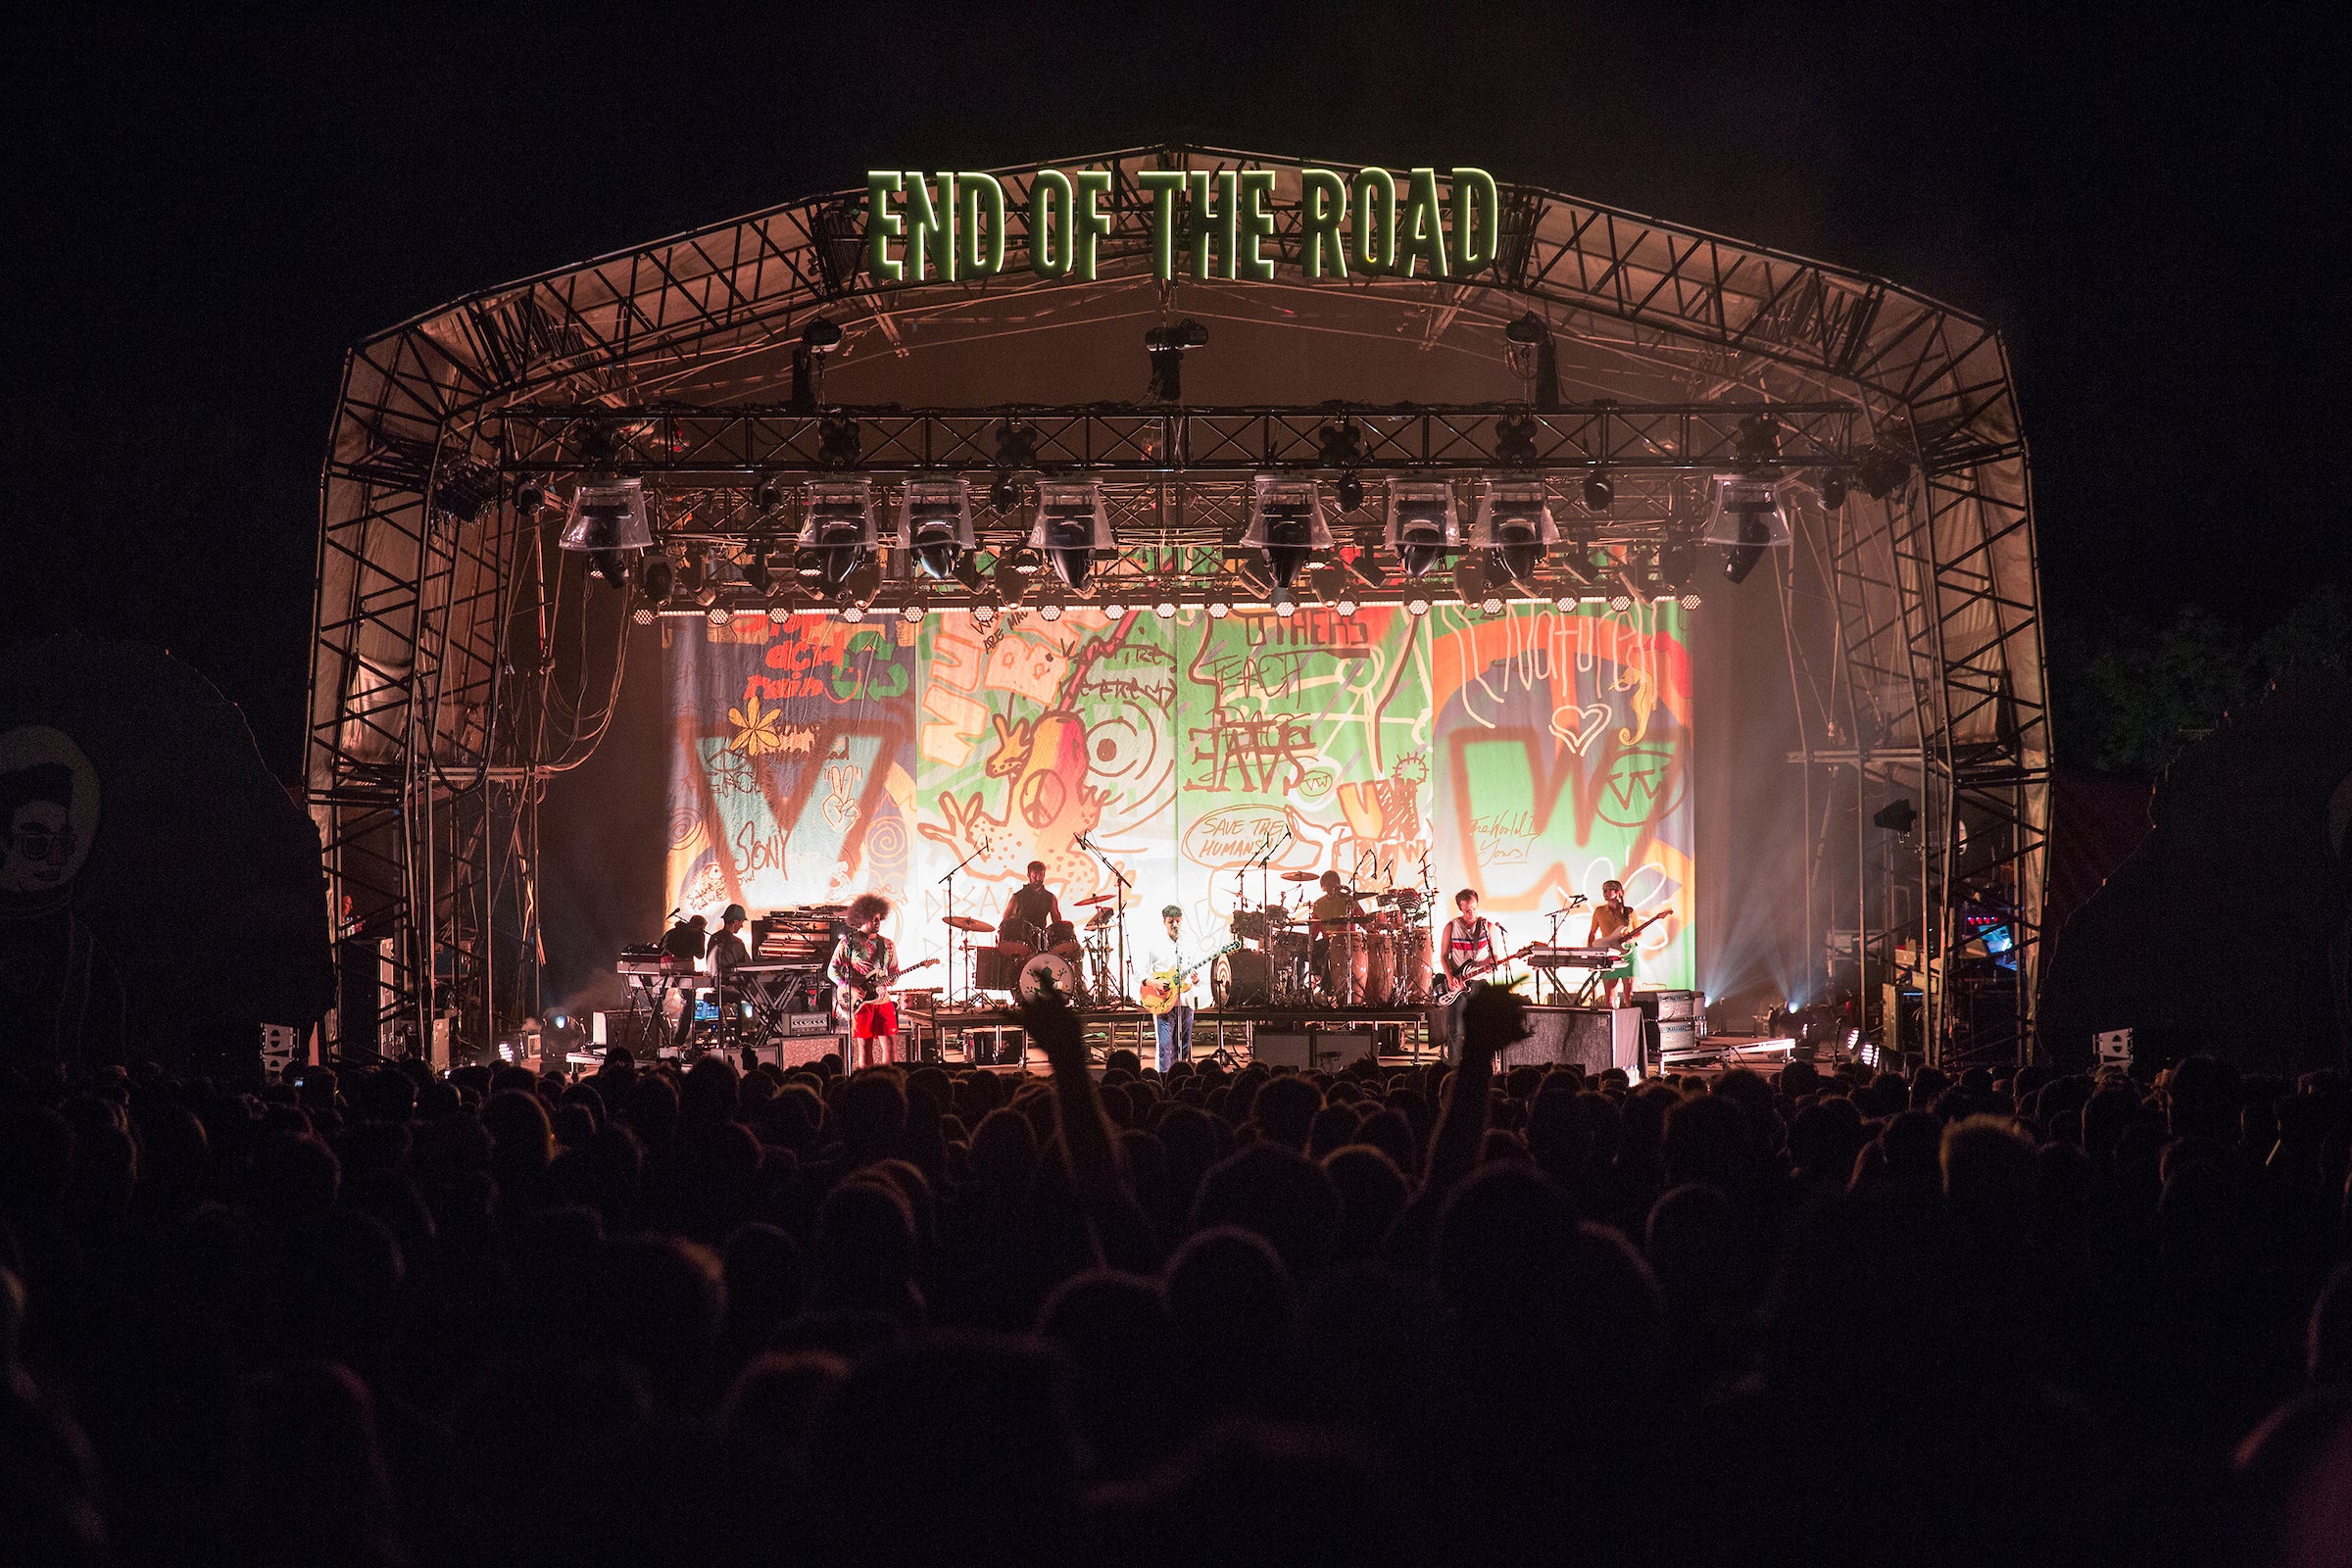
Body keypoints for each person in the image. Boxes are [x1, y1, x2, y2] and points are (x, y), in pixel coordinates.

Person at [830, 893, 902, 1069]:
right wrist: (850, 987)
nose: (877, 922)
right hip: (861, 1003)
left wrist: (892, 980)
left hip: (883, 1001)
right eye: (873, 918)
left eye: (879, 918)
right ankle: (866, 1085)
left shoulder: (888, 945)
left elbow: (894, 972)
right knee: (865, 1048)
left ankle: (890, 1082)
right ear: (861, 919)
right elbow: (832, 970)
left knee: (891, 1048)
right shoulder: (848, 943)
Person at [679, 906, 751, 1054]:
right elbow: (748, 967)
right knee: (760, 997)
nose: (742, 925)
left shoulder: (713, 938)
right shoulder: (736, 943)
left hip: (715, 987)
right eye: (741, 921)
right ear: (735, 921)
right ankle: (751, 1037)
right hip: (729, 988)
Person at [1440, 888, 1501, 1055]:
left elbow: (1493, 955)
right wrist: (1450, 977)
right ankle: (1453, 1066)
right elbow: (1444, 956)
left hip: (1479, 983)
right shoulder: (1451, 927)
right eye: (1467, 909)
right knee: (1456, 1030)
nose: (1471, 912)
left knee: (1482, 1029)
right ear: (1460, 908)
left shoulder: (1487, 927)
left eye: (1474, 908)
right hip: (1458, 985)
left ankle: (1479, 1065)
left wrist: (1491, 964)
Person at [1142, 904, 1197, 1074]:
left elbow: (1195, 971)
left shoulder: (1189, 943)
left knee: (1184, 1044)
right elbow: (1140, 971)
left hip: (1185, 999)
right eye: (1171, 921)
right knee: (1166, 1045)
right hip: (1164, 1000)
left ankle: (1182, 1078)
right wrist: (1155, 983)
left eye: (1178, 921)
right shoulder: (1154, 945)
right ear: (1164, 922)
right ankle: (1164, 1080)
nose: (1175, 925)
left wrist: (1196, 978)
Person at [1309, 871, 1363, 1002]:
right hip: (1327, 940)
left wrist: (1373, 929)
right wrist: (1310, 943)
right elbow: (1314, 930)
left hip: (1346, 939)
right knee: (1308, 952)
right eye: (1328, 884)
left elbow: (1362, 918)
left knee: (1330, 953)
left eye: (1334, 883)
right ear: (1323, 887)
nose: (1331, 887)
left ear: (1339, 885)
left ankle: (1326, 990)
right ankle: (1307, 989)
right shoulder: (1319, 904)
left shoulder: (1349, 900)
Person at [1586, 878, 1640, 1007]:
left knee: (1629, 996)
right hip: (1609, 954)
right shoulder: (1599, 911)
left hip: (1628, 952)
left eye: (1608, 890)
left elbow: (1638, 932)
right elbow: (1592, 932)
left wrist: (1630, 939)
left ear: (1618, 892)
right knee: (1609, 996)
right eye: (1604, 890)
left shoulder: (1629, 912)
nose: (1605, 893)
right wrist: (1590, 951)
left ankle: (1631, 1024)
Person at [998, 860, 1062, 962]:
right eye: (1035, 875)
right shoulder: (1018, 897)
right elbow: (1007, 921)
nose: (1038, 879)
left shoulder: (1050, 898)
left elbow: (1057, 922)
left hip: (1041, 942)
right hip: (1021, 941)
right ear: (1028, 875)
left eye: (1041, 875)